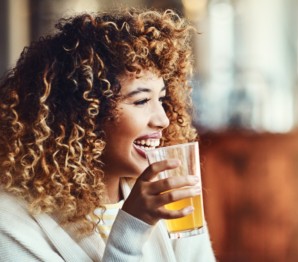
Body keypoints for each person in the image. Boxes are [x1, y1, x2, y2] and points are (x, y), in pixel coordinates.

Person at [0, 7, 216, 262]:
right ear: (83, 114)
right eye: (141, 101)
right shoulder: (11, 223)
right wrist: (132, 227)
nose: (163, 119)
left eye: (162, 99)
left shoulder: (167, 195)